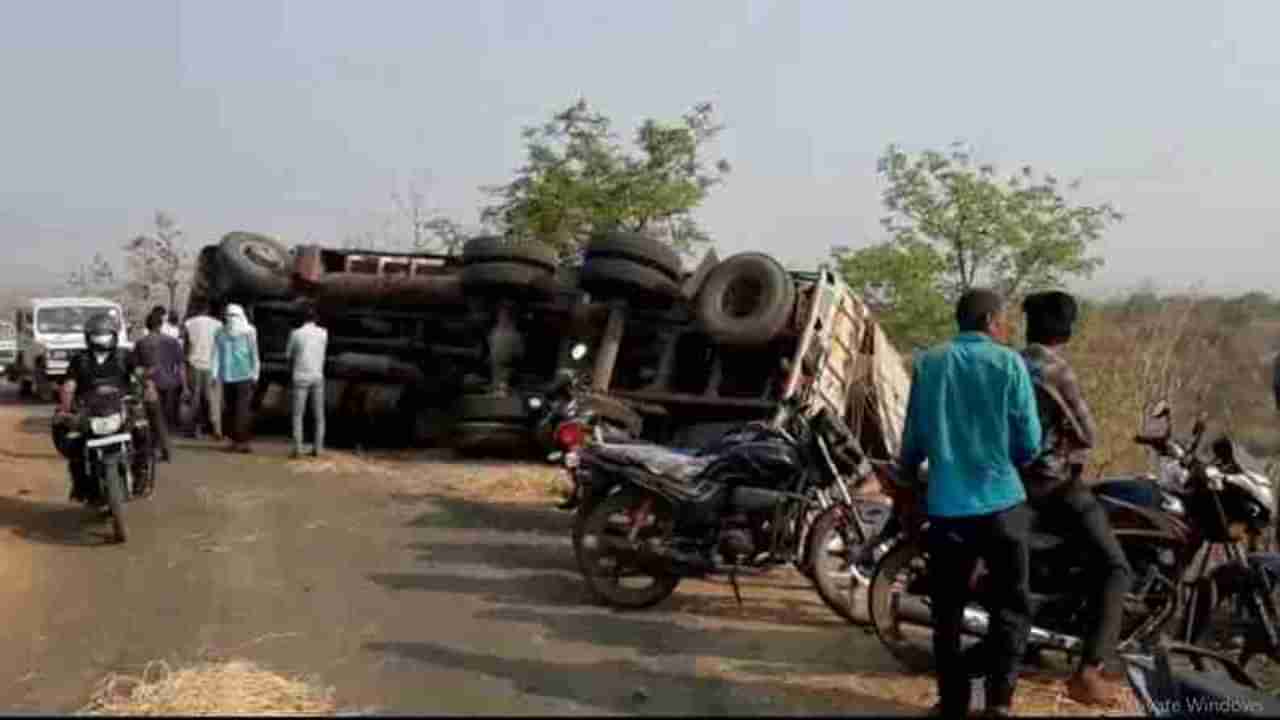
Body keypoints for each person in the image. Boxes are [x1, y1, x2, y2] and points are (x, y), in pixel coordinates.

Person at [890, 288, 1041, 717]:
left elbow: (914, 440)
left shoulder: (929, 363)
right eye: (1003, 319)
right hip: (1003, 505)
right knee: (1011, 607)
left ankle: (953, 702)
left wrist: (909, 475)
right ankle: (999, 703)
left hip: (947, 509)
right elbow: (1029, 443)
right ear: (991, 320)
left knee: (948, 614)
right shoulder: (1009, 362)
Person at [1020, 290, 1132, 706]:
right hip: (1051, 483)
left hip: (1011, 483)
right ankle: (1088, 672)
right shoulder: (1055, 370)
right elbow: (1088, 434)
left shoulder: (1012, 363)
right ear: (1065, 328)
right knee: (1115, 568)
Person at [56, 312, 154, 498]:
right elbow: (68, 386)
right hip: (91, 413)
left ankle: (141, 474)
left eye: (105, 335)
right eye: (98, 336)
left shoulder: (125, 356)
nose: (102, 340)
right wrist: (65, 410)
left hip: (120, 409)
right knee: (74, 443)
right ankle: (81, 484)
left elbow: (140, 373)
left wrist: (146, 387)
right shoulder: (80, 360)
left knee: (143, 432)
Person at [133, 309, 186, 462]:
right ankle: (161, 449)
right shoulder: (172, 341)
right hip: (171, 384)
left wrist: (143, 377)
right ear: (160, 325)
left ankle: (161, 449)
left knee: (155, 418)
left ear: (147, 325)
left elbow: (136, 369)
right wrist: (185, 387)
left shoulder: (141, 343)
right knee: (164, 419)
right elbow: (181, 365)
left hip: (151, 385)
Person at [215, 304, 260, 454]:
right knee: (230, 410)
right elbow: (215, 354)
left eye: (234, 315)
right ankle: (234, 441)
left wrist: (255, 374)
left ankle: (243, 441)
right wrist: (215, 375)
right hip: (227, 377)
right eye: (229, 315)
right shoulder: (220, 332)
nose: (231, 319)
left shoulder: (249, 332)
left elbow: (254, 354)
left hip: (244, 376)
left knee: (242, 410)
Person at [287, 303, 328, 459]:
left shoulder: (295, 334)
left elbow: (289, 356)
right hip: (317, 376)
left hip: (300, 376)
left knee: (298, 415)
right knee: (319, 415)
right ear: (315, 318)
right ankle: (318, 449)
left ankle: (297, 448)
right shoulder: (324, 333)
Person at [183, 303, 224, 440]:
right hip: (212, 365)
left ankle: (192, 429)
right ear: (209, 311)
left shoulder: (189, 323)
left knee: (195, 399)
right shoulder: (218, 325)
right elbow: (220, 346)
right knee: (213, 399)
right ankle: (216, 429)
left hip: (194, 364)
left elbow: (186, 346)